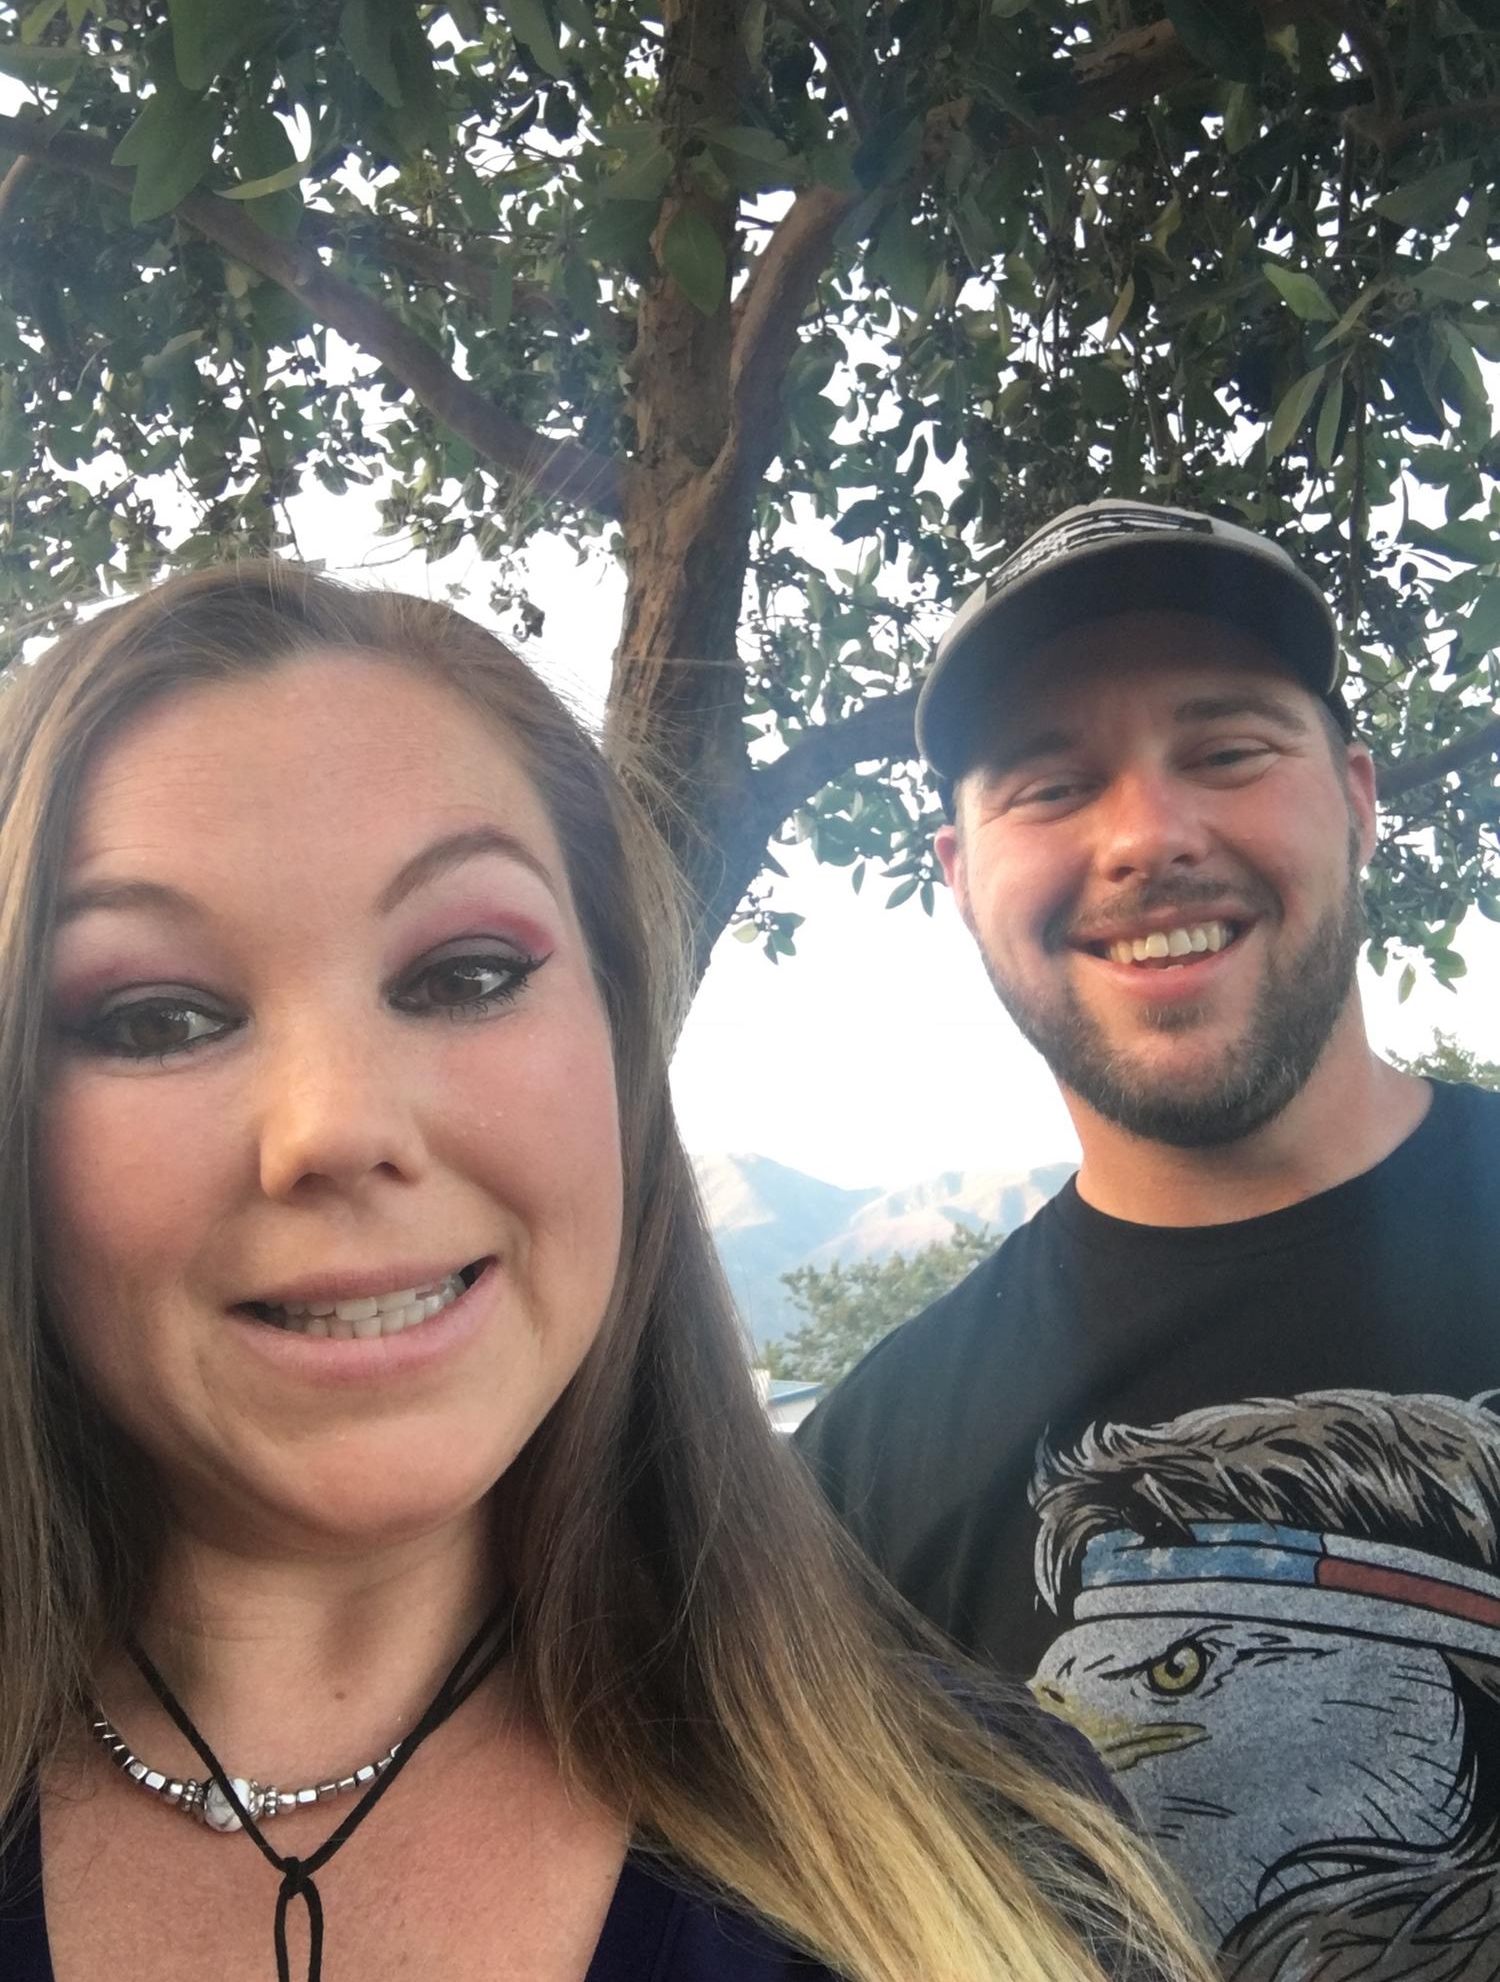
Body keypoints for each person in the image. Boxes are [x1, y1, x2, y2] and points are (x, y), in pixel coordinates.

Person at [0, 561, 1210, 1982]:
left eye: (464, 975)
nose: (338, 1126)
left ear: (623, 1061)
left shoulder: (1007, 1860)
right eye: (156, 1016)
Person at [795, 499, 1500, 1977]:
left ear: (1357, 800)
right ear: (959, 877)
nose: (1146, 838)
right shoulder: (855, 1488)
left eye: (1228, 752)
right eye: (1051, 787)